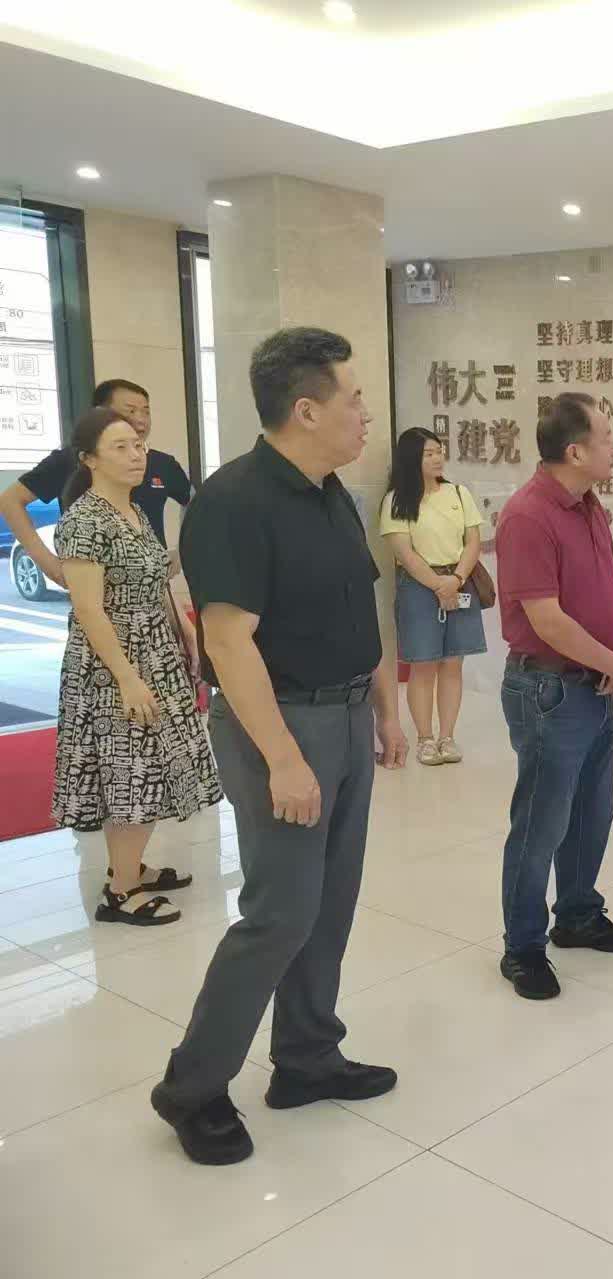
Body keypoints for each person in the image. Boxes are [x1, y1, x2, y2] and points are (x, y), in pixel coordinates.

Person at [150, 327, 409, 1166]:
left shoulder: (334, 494)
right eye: (354, 398)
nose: (366, 414)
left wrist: (386, 708)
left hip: (346, 715)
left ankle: (305, 1055)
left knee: (331, 902)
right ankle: (192, 1085)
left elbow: (361, 609)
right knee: (280, 912)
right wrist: (285, 759)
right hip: (281, 725)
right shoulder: (233, 502)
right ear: (306, 409)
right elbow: (229, 644)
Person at [494, 391, 613, 1000]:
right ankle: (523, 947)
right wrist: (611, 662)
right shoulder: (527, 515)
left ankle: (577, 914)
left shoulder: (590, 506)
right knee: (541, 822)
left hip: (595, 685)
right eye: (606, 438)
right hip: (548, 690)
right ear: (576, 451)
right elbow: (546, 620)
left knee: (593, 813)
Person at [51, 407, 221, 925]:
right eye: (120, 447)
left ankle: (128, 867)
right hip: (114, 665)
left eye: (138, 445)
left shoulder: (133, 511)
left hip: (155, 652)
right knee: (131, 770)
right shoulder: (84, 520)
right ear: (89, 459)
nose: (135, 454)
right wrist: (127, 678)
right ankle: (121, 891)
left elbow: (155, 581)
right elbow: (88, 609)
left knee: (151, 767)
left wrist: (185, 631)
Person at [0, 379, 195, 586]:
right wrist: (49, 565)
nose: (141, 420)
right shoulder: (70, 462)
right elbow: (10, 500)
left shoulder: (161, 465)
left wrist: (181, 552)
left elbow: (193, 502)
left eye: (146, 411)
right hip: (94, 585)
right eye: (130, 411)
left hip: (152, 585)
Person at [379, 427, 486, 765]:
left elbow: (473, 542)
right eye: (428, 454)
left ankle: (447, 737)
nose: (437, 458)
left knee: (453, 663)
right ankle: (425, 739)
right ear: (411, 458)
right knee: (423, 665)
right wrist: (438, 585)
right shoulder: (396, 500)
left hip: (459, 580)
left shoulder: (458, 494)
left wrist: (456, 579)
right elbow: (404, 552)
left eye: (439, 451)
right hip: (418, 587)